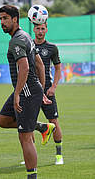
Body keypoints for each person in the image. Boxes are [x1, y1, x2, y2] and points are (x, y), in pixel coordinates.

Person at [0, 5, 55, 179]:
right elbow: (39, 64)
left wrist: (18, 94)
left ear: (15, 19)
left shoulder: (17, 40)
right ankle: (42, 127)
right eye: (0, 19)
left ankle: (32, 177)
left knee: (25, 138)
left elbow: (25, 67)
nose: (2, 22)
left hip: (26, 92)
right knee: (3, 120)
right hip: (27, 89)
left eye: (5, 18)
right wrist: (42, 90)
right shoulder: (26, 36)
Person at [33, 23, 63, 165]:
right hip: (31, 90)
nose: (40, 31)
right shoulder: (27, 45)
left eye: (42, 28)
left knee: (54, 121)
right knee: (28, 123)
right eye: (37, 28)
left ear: (46, 30)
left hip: (47, 91)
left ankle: (59, 155)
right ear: (34, 30)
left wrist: (53, 87)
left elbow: (58, 69)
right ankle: (30, 155)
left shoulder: (52, 48)